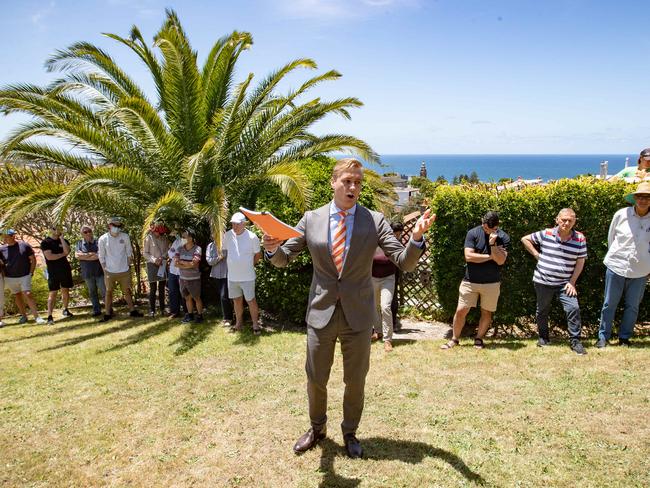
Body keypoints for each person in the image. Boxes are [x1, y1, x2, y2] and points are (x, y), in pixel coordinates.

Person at [263, 158, 435, 459]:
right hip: (321, 312)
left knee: (355, 381)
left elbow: (404, 262)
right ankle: (317, 429)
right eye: (347, 181)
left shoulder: (375, 221)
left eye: (357, 182)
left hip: (358, 315)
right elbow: (283, 258)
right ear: (334, 182)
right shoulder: (311, 219)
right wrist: (271, 247)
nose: (353, 186)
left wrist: (417, 238)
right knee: (316, 377)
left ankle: (350, 432)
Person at [521, 208, 587, 355]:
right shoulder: (546, 233)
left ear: (574, 222)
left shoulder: (580, 238)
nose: (566, 223)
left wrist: (572, 282)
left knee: (573, 308)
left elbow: (580, 262)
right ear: (557, 220)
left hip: (565, 284)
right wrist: (537, 255)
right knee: (542, 310)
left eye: (570, 220)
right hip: (542, 280)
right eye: (564, 220)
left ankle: (575, 341)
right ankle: (544, 338)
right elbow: (525, 239)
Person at [441, 211, 510, 350]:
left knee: (486, 312)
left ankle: (479, 339)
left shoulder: (503, 237)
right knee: (461, 310)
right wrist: (491, 257)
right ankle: (454, 339)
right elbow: (469, 256)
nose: (488, 231)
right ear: (482, 222)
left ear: (497, 226)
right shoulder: (472, 233)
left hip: (492, 282)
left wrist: (492, 245)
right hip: (470, 281)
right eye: (485, 228)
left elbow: (501, 261)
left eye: (492, 229)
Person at [596, 182, 650, 347]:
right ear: (634, 198)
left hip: (641, 270)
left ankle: (624, 338)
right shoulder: (621, 214)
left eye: (647, 197)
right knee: (609, 304)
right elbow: (611, 238)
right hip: (616, 266)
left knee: (632, 306)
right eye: (640, 196)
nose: (643, 200)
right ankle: (603, 337)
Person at [97, 217, 143, 321]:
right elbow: (101, 256)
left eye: (119, 226)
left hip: (124, 270)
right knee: (108, 292)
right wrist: (105, 270)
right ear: (109, 226)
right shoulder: (103, 239)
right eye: (115, 225)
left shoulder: (125, 236)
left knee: (127, 291)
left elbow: (129, 252)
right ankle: (108, 313)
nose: (117, 228)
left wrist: (128, 265)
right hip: (109, 271)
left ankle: (132, 311)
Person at [223, 212, 262, 334]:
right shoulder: (227, 235)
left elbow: (257, 255)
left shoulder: (252, 237)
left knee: (251, 300)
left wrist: (249, 266)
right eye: (233, 223)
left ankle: (255, 325)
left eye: (237, 224)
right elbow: (225, 251)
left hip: (248, 277)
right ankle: (239, 324)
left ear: (244, 224)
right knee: (236, 300)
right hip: (232, 277)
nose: (235, 226)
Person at [370, 221, 406, 352]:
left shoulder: (396, 245)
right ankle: (378, 331)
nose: (396, 235)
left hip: (388, 278)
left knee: (385, 306)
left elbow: (401, 260)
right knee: (373, 306)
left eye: (398, 234)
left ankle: (388, 340)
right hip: (372, 278)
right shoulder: (374, 243)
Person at [0, 229, 46, 325]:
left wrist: (31, 273)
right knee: (17, 295)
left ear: (13, 236)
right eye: (3, 236)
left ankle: (37, 317)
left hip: (25, 275)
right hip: (10, 277)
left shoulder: (24, 245)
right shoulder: (1, 249)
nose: (4, 238)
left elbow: (33, 259)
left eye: (6, 236)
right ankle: (24, 316)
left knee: (28, 294)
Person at [41, 224, 75, 325]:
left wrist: (61, 238)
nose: (57, 230)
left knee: (65, 290)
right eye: (54, 228)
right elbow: (50, 257)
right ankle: (50, 316)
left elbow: (67, 251)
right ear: (50, 229)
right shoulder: (46, 242)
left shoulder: (64, 241)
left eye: (59, 228)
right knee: (53, 292)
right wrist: (62, 255)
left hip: (65, 269)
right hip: (53, 271)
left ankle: (65, 309)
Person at [174, 229, 204, 323]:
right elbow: (175, 264)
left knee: (196, 298)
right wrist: (188, 264)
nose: (182, 239)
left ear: (190, 238)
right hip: (183, 278)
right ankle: (190, 315)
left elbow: (194, 264)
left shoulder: (197, 249)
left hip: (194, 278)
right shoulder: (179, 249)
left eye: (184, 237)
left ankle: (199, 316)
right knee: (187, 297)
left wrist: (182, 263)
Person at [75, 225, 105, 317]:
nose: (88, 233)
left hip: (99, 272)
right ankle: (96, 310)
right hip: (87, 273)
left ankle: (108, 309)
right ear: (82, 234)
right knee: (92, 293)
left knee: (104, 291)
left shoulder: (98, 242)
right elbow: (77, 256)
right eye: (85, 232)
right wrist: (91, 254)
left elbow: (99, 256)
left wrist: (84, 256)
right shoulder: (79, 243)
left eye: (89, 231)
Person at [143, 222, 170, 317]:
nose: (160, 234)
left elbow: (168, 250)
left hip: (162, 263)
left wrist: (162, 257)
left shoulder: (164, 238)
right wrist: (154, 260)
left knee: (162, 287)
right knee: (153, 288)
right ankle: (152, 310)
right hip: (152, 264)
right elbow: (145, 253)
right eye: (159, 232)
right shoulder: (148, 238)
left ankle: (163, 308)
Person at [206, 236, 234, 327]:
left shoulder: (228, 244)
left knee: (224, 296)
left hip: (228, 274)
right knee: (224, 296)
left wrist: (220, 257)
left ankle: (228, 318)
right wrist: (220, 257)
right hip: (216, 275)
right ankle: (230, 316)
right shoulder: (210, 246)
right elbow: (209, 261)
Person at [167, 230, 186, 319]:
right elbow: (170, 252)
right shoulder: (176, 241)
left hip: (182, 270)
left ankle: (187, 311)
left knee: (184, 292)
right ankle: (175, 312)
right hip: (173, 270)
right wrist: (174, 256)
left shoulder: (187, 241)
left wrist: (177, 256)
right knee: (172, 291)